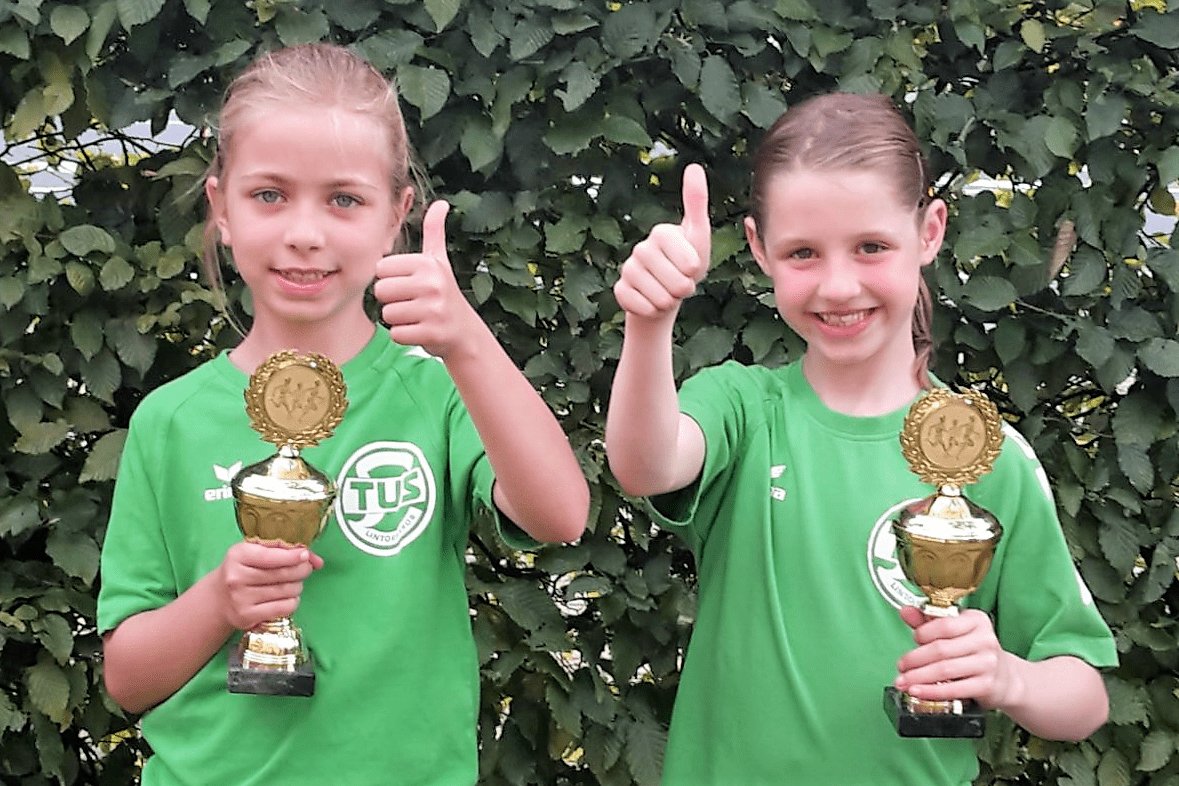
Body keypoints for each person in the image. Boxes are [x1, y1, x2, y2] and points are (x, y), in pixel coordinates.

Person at [98, 42, 588, 786]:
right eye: (269, 195)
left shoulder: (439, 389)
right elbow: (127, 681)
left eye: (343, 199)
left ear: (397, 214)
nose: (305, 232)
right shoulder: (169, 420)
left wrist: (466, 340)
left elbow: (560, 517)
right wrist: (220, 602)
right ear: (220, 208)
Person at [606, 92, 1116, 785]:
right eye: (802, 253)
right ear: (757, 249)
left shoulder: (985, 454)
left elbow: (1082, 698)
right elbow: (644, 465)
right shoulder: (740, 407)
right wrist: (650, 321)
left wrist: (1007, 677)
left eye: (870, 247)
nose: (838, 285)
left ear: (929, 231)